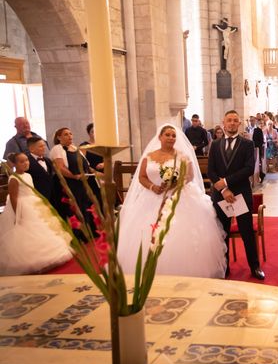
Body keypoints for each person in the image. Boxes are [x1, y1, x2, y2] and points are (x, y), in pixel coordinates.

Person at [117, 124, 227, 278]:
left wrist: (176, 183)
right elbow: (141, 177)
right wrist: (152, 187)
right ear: (160, 137)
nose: (171, 138)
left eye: (173, 135)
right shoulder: (149, 156)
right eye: (167, 135)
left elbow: (190, 176)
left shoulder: (183, 156)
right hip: (152, 197)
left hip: (179, 197)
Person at [208, 110, 265, 280]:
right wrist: (224, 190)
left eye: (235, 121)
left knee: (247, 232)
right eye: (229, 120)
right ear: (223, 123)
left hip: (241, 194)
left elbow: (248, 169)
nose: (232, 123)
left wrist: (225, 182)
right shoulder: (215, 145)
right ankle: (224, 267)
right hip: (221, 196)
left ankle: (255, 266)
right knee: (222, 232)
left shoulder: (247, 144)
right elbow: (211, 171)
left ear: (239, 124)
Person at [0, 153, 72, 275]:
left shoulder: (28, 175)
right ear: (14, 164)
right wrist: (17, 213)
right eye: (22, 162)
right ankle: (30, 262)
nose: (26, 163)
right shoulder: (14, 178)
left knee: (43, 228)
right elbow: (13, 197)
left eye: (27, 160)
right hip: (22, 206)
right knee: (25, 233)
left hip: (34, 202)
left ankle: (49, 257)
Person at [50, 127, 102, 239]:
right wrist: (75, 176)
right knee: (74, 207)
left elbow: (86, 166)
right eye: (65, 134)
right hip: (68, 183)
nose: (70, 136)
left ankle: (88, 233)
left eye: (70, 133)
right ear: (59, 137)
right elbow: (60, 168)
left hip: (81, 183)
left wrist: (96, 172)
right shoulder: (57, 149)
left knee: (85, 206)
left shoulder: (74, 148)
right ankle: (77, 235)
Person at [25, 136, 56, 203]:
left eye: (44, 146)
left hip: (51, 196)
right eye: (40, 146)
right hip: (36, 196)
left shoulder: (48, 160)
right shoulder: (27, 162)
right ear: (31, 149)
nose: (44, 148)